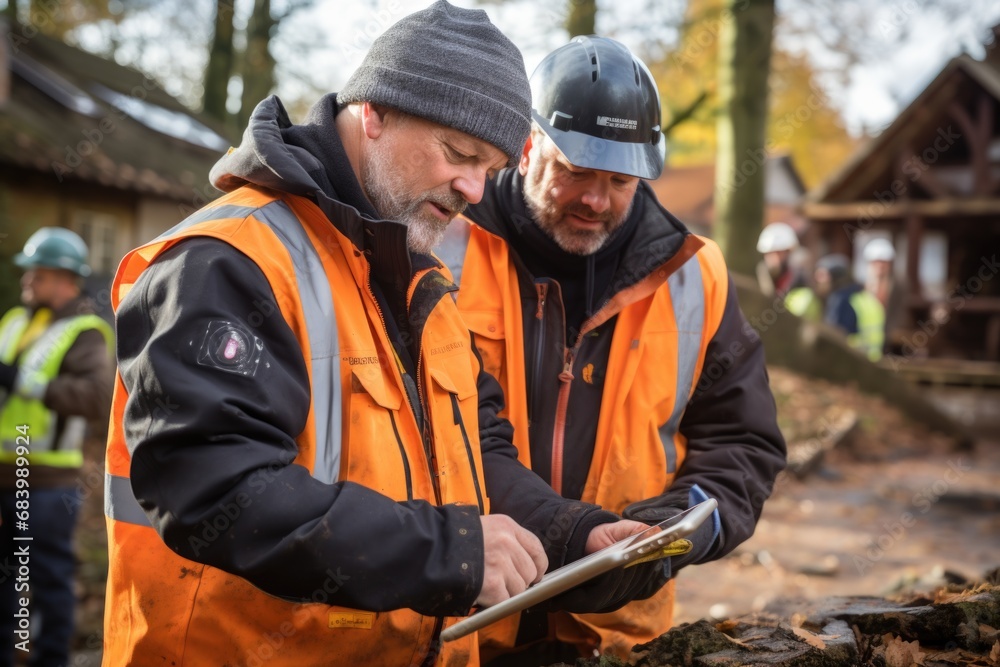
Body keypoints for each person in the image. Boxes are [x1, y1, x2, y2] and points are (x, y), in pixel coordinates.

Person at [101, 4, 667, 665]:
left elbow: (476, 452)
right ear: (374, 112)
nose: (473, 189)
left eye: (489, 168)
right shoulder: (226, 261)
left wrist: (574, 533)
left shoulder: (418, 275)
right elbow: (215, 488)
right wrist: (450, 551)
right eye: (460, 154)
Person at [446, 36, 787, 662]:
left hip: (615, 637)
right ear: (527, 146)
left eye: (620, 180)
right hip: (461, 624)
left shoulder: (696, 275)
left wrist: (678, 528)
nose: (595, 199)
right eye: (575, 171)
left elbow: (743, 441)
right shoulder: (442, 242)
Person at [0, 227, 113, 667]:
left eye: (38, 274)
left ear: (67, 279)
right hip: (4, 472)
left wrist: (23, 382)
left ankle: (50, 659)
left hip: (46, 481)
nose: (27, 280)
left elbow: (95, 398)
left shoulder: (86, 332)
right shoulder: (14, 321)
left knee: (47, 576)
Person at [815, 253, 886, 361]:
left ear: (836, 277)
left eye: (822, 275)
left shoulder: (840, 300)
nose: (818, 280)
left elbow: (833, 336)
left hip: (851, 360)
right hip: (871, 361)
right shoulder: (865, 297)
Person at [755, 221, 819, 320]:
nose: (773, 258)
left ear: (789, 252)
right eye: (769, 253)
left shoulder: (802, 282)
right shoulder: (763, 277)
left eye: (778, 253)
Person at [862, 237, 905, 349]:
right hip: (866, 341)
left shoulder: (899, 286)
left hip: (890, 341)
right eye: (876, 262)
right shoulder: (861, 287)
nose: (880, 266)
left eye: (884, 262)